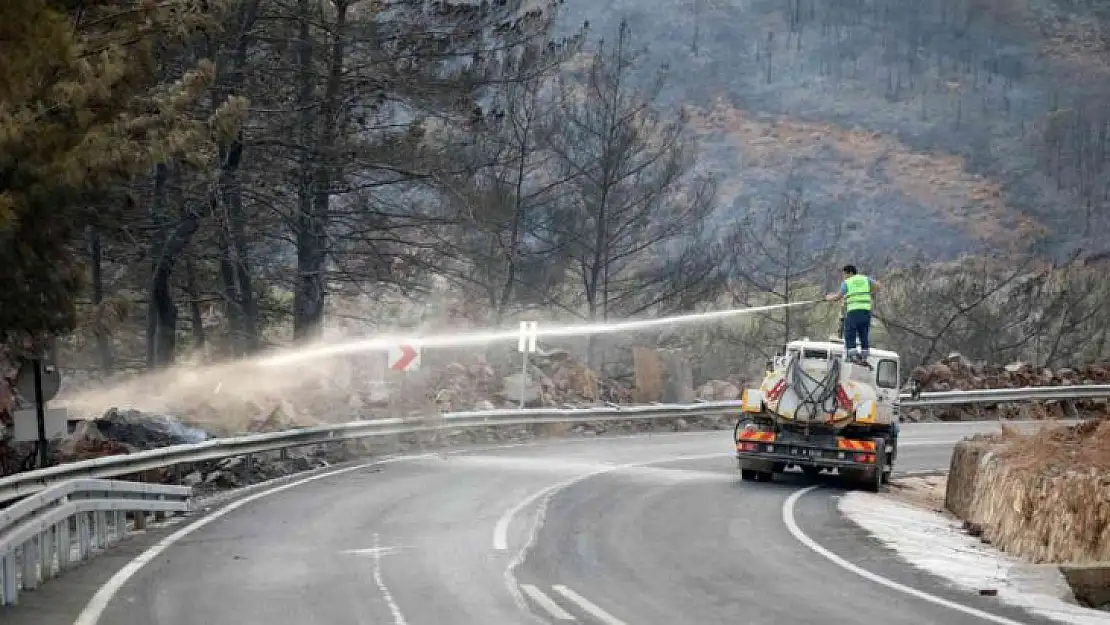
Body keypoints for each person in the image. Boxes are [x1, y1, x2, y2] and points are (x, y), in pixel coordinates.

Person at [825, 264, 880, 362]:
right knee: (864, 333)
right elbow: (878, 286)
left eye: (845, 274)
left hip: (854, 311)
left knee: (850, 332)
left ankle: (852, 355)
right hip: (866, 311)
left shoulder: (847, 282)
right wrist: (868, 292)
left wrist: (829, 298)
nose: (844, 277)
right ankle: (864, 356)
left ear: (850, 273)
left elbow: (838, 297)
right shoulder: (865, 279)